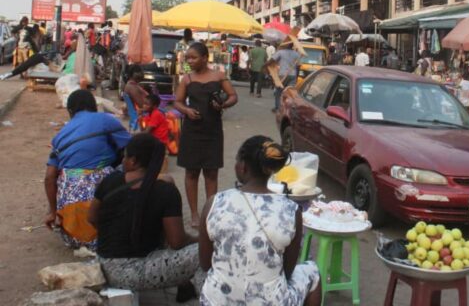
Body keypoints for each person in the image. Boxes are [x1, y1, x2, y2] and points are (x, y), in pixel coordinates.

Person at [199, 136, 321, 306]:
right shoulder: (291, 210)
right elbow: (287, 272)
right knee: (312, 271)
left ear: (243, 167)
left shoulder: (214, 203)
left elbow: (205, 264)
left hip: (216, 300)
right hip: (269, 301)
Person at [89, 134, 202, 299]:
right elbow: (177, 241)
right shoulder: (165, 191)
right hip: (135, 272)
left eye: (125, 156)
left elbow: (91, 218)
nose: (123, 161)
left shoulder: (110, 180)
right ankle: (199, 292)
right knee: (205, 250)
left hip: (104, 263)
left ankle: (186, 286)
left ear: (133, 161)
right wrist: (202, 239)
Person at [44, 89, 131, 249]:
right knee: (127, 161)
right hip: (106, 235)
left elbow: (50, 177)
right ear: (94, 106)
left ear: (70, 111)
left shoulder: (60, 136)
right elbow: (133, 148)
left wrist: (52, 211)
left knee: (66, 173)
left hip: (72, 235)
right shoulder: (105, 120)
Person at [174, 42, 238, 227]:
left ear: (205, 58)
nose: (190, 61)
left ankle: (210, 212)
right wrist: (186, 111)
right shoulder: (187, 79)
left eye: (193, 58)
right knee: (191, 172)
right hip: (192, 131)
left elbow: (233, 96)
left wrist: (223, 104)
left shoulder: (219, 76)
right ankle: (194, 214)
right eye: (188, 58)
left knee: (211, 173)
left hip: (213, 131)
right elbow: (177, 101)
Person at [266, 40, 301, 113]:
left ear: (286, 44)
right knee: (289, 93)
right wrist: (296, 77)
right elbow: (298, 66)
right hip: (293, 75)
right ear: (292, 46)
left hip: (282, 74)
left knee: (278, 92)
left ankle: (278, 108)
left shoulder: (280, 52)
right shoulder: (296, 54)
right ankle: (288, 109)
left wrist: (265, 65)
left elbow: (271, 60)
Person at [123, 64, 147, 130]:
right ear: (133, 74)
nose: (141, 73)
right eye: (139, 71)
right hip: (142, 114)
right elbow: (142, 105)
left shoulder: (132, 85)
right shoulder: (132, 87)